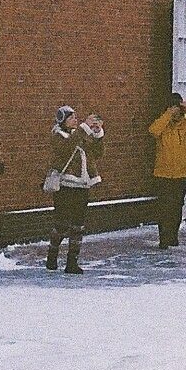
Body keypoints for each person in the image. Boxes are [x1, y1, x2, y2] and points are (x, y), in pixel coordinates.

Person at [46, 105, 104, 274]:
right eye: (71, 118)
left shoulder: (80, 135)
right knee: (61, 224)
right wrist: (84, 128)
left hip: (82, 186)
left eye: (76, 118)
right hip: (65, 186)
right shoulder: (58, 136)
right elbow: (66, 148)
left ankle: (72, 262)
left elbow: (98, 153)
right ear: (62, 121)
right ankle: (52, 257)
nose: (75, 120)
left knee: (78, 225)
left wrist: (97, 134)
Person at [148, 93, 186, 249]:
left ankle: (173, 235)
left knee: (177, 205)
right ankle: (164, 237)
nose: (176, 114)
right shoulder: (162, 123)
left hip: (181, 173)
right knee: (164, 206)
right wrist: (168, 114)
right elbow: (153, 131)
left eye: (178, 110)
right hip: (163, 173)